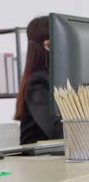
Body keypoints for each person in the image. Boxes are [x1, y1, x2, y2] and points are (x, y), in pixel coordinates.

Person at [14, 15, 63, 144]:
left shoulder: (63, 79)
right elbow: (58, 131)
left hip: (59, 156)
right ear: (48, 45)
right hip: (37, 160)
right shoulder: (37, 83)